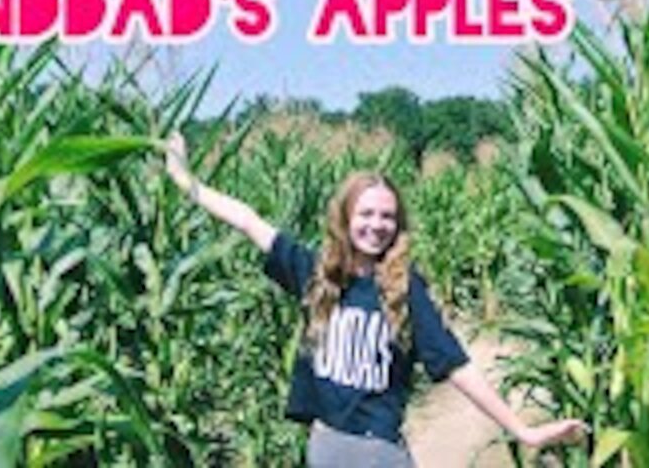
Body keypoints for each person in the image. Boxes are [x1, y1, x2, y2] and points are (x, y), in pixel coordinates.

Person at [163, 132, 584, 467]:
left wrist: (521, 429)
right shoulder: (317, 273)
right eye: (366, 214)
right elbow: (247, 220)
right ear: (345, 219)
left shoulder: (404, 288)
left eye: (387, 216)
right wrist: (187, 182)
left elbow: (454, 363)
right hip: (325, 446)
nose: (376, 225)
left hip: (376, 451)